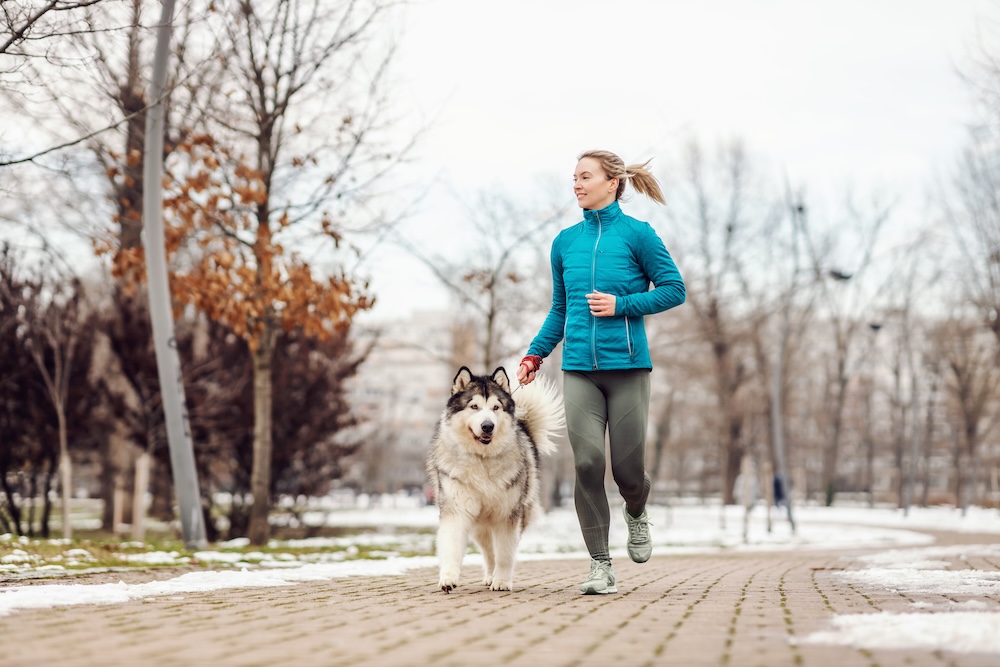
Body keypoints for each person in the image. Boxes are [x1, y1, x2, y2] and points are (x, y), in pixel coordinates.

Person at [517, 149, 685, 595]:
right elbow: (560, 309)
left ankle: (636, 509)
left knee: (628, 470)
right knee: (588, 463)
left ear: (612, 183)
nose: (576, 184)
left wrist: (622, 305)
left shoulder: (638, 235)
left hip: (628, 367)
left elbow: (674, 289)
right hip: (578, 371)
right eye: (573, 177)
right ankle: (599, 565)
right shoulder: (564, 243)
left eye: (585, 177)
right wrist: (535, 355)